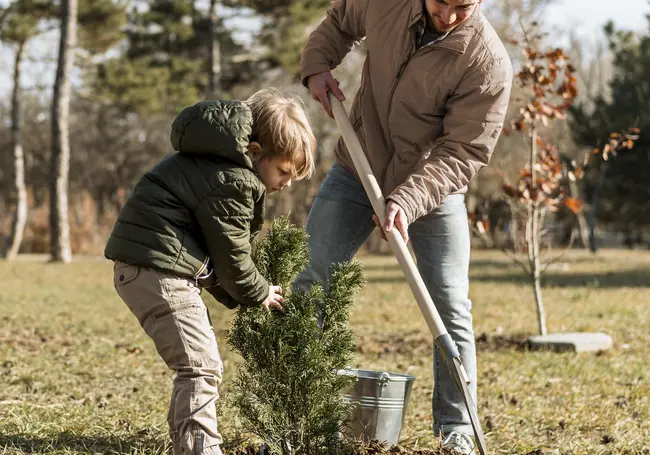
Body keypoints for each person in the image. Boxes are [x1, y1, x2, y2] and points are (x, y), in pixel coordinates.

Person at [297, 0, 512, 453]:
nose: (450, 16)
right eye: (442, 3)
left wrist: (409, 199)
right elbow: (340, 22)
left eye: (463, 6)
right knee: (312, 278)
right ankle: (295, 408)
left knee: (450, 305)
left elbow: (464, 152)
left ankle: (457, 429)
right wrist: (317, 65)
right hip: (358, 166)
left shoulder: (486, 62)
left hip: (434, 188)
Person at [104, 89, 316, 455]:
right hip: (159, 272)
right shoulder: (234, 181)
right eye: (283, 170)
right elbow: (232, 256)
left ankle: (187, 444)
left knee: (196, 365)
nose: (287, 183)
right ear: (254, 152)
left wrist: (236, 294)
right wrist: (259, 291)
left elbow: (212, 253)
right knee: (201, 367)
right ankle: (200, 450)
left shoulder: (211, 167)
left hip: (149, 269)